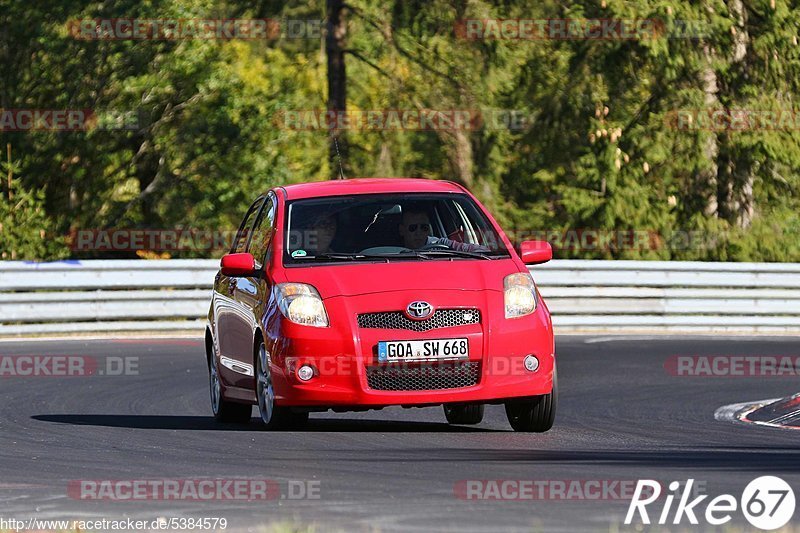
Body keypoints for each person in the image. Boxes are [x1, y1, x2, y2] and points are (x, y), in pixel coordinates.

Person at [398, 208, 489, 252]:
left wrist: (491, 252)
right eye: (413, 228)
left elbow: (468, 248)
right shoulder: (386, 252)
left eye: (424, 228)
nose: (419, 233)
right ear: (402, 230)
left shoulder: (439, 245)